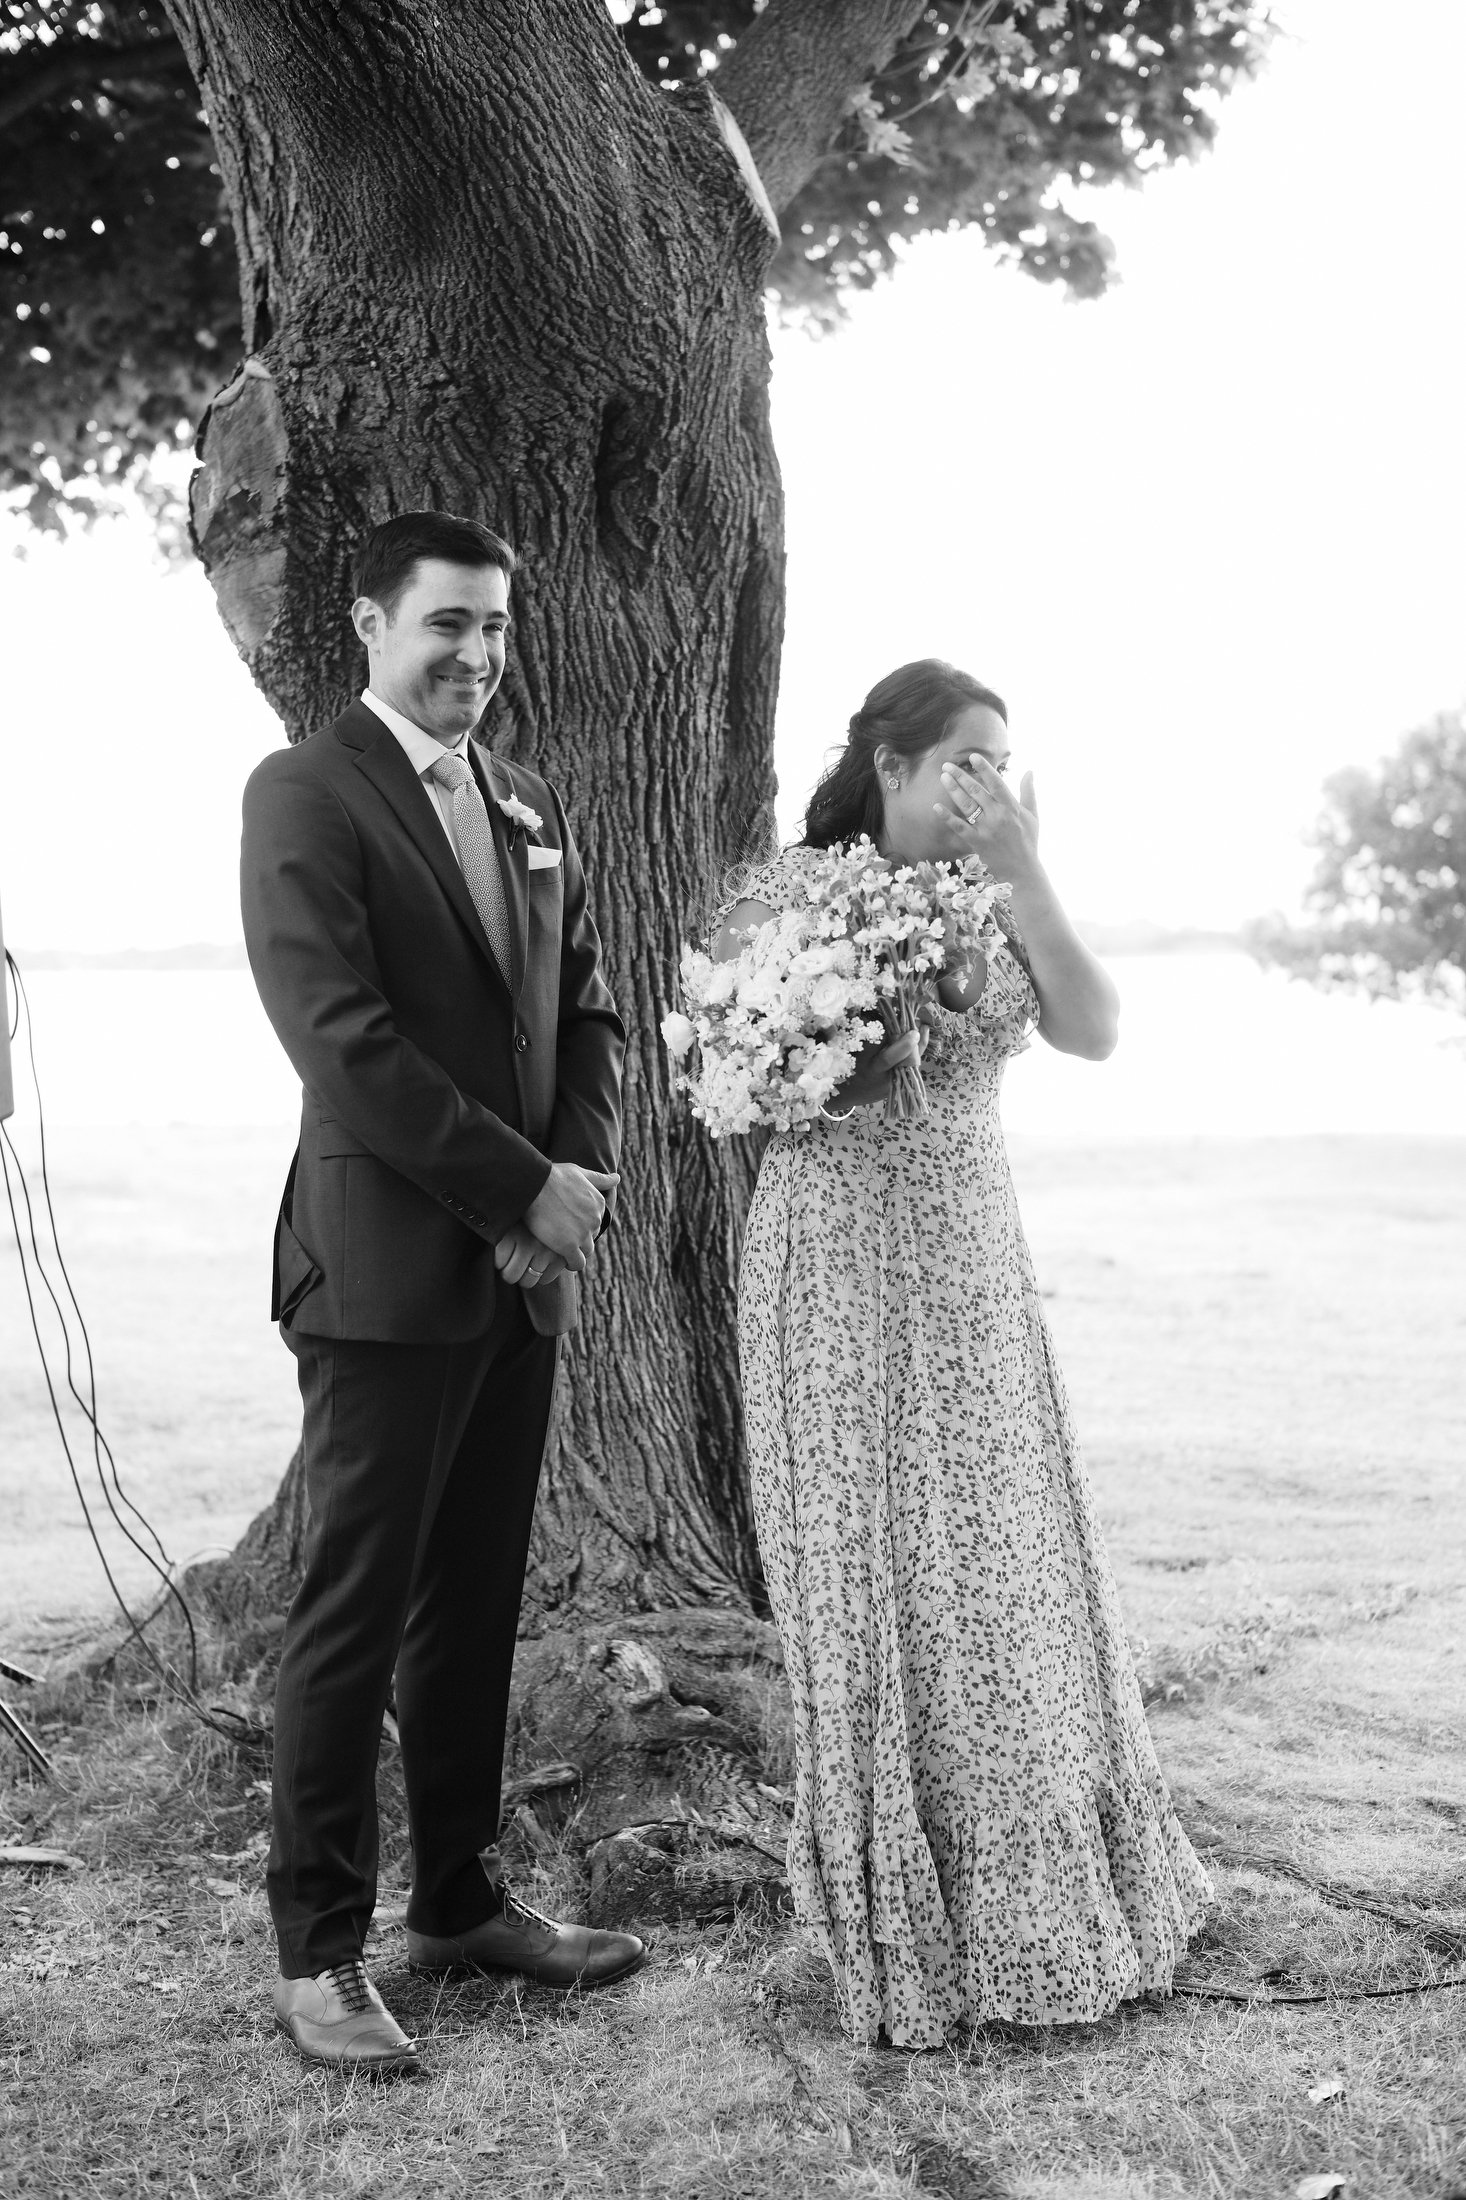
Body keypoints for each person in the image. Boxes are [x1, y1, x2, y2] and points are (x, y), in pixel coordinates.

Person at [721, 660, 1212, 2050]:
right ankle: (895, 1920)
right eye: (964, 760)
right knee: (869, 1570)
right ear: (887, 761)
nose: (987, 783)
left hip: (967, 1265)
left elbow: (1094, 1030)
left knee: (994, 1568)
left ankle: (1043, 1908)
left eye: (1003, 761)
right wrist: (845, 1032)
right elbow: (744, 1081)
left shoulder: (1001, 889)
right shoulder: (792, 896)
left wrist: (1021, 872)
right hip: (829, 1264)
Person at [241, 511, 644, 2074]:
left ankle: (461, 1901)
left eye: (493, 627)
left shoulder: (527, 796)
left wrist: (574, 1187)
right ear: (366, 624)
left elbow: (588, 1007)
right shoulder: (304, 792)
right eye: (445, 627)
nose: (475, 655)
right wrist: (513, 1189)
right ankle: (318, 1952)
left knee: (472, 1604)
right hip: (386, 1277)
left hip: (522, 1275)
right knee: (351, 1616)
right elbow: (341, 1037)